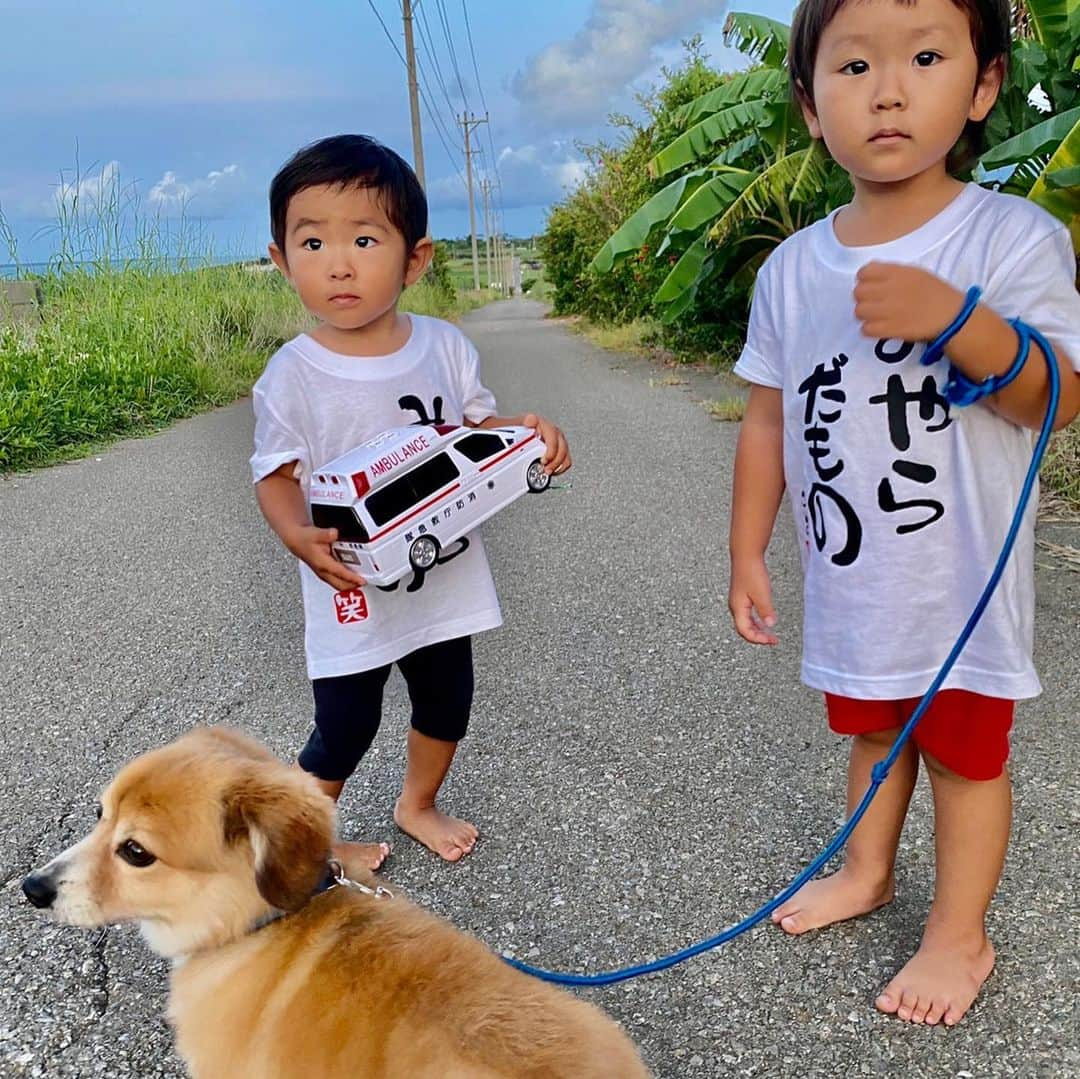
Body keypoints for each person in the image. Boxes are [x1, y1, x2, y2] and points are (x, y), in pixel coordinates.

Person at [728, 0, 1080, 1028]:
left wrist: (960, 322)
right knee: (875, 727)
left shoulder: (1009, 237)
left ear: (981, 87)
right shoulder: (794, 269)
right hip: (854, 574)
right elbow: (768, 417)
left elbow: (1056, 396)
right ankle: (867, 868)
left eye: (925, 58)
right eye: (852, 67)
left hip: (961, 582)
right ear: (808, 105)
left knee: (966, 754)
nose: (887, 90)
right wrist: (747, 546)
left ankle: (959, 930)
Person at [250, 134, 570, 867]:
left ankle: (416, 802)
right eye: (311, 241)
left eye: (364, 238)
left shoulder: (445, 347)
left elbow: (478, 431)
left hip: (441, 576)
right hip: (350, 584)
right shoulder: (292, 374)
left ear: (415, 258)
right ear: (280, 259)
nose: (338, 262)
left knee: (447, 699)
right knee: (345, 723)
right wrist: (296, 535)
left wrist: (525, 434)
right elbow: (274, 473)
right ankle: (305, 846)